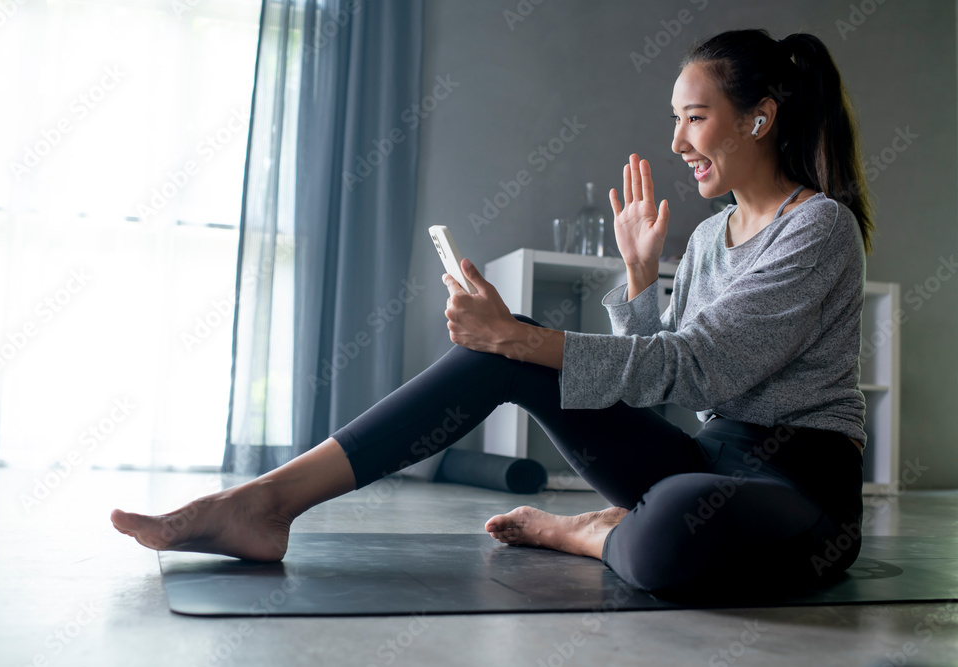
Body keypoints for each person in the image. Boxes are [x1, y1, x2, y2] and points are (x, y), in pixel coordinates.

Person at [111, 28, 874, 597]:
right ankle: (266, 501)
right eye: (675, 120)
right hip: (708, 457)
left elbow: (698, 364)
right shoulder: (712, 235)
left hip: (799, 491)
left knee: (673, 527)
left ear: (760, 119)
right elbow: (661, 379)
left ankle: (589, 531)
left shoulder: (819, 227)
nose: (676, 141)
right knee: (498, 359)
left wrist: (525, 331)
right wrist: (640, 277)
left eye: (695, 118)